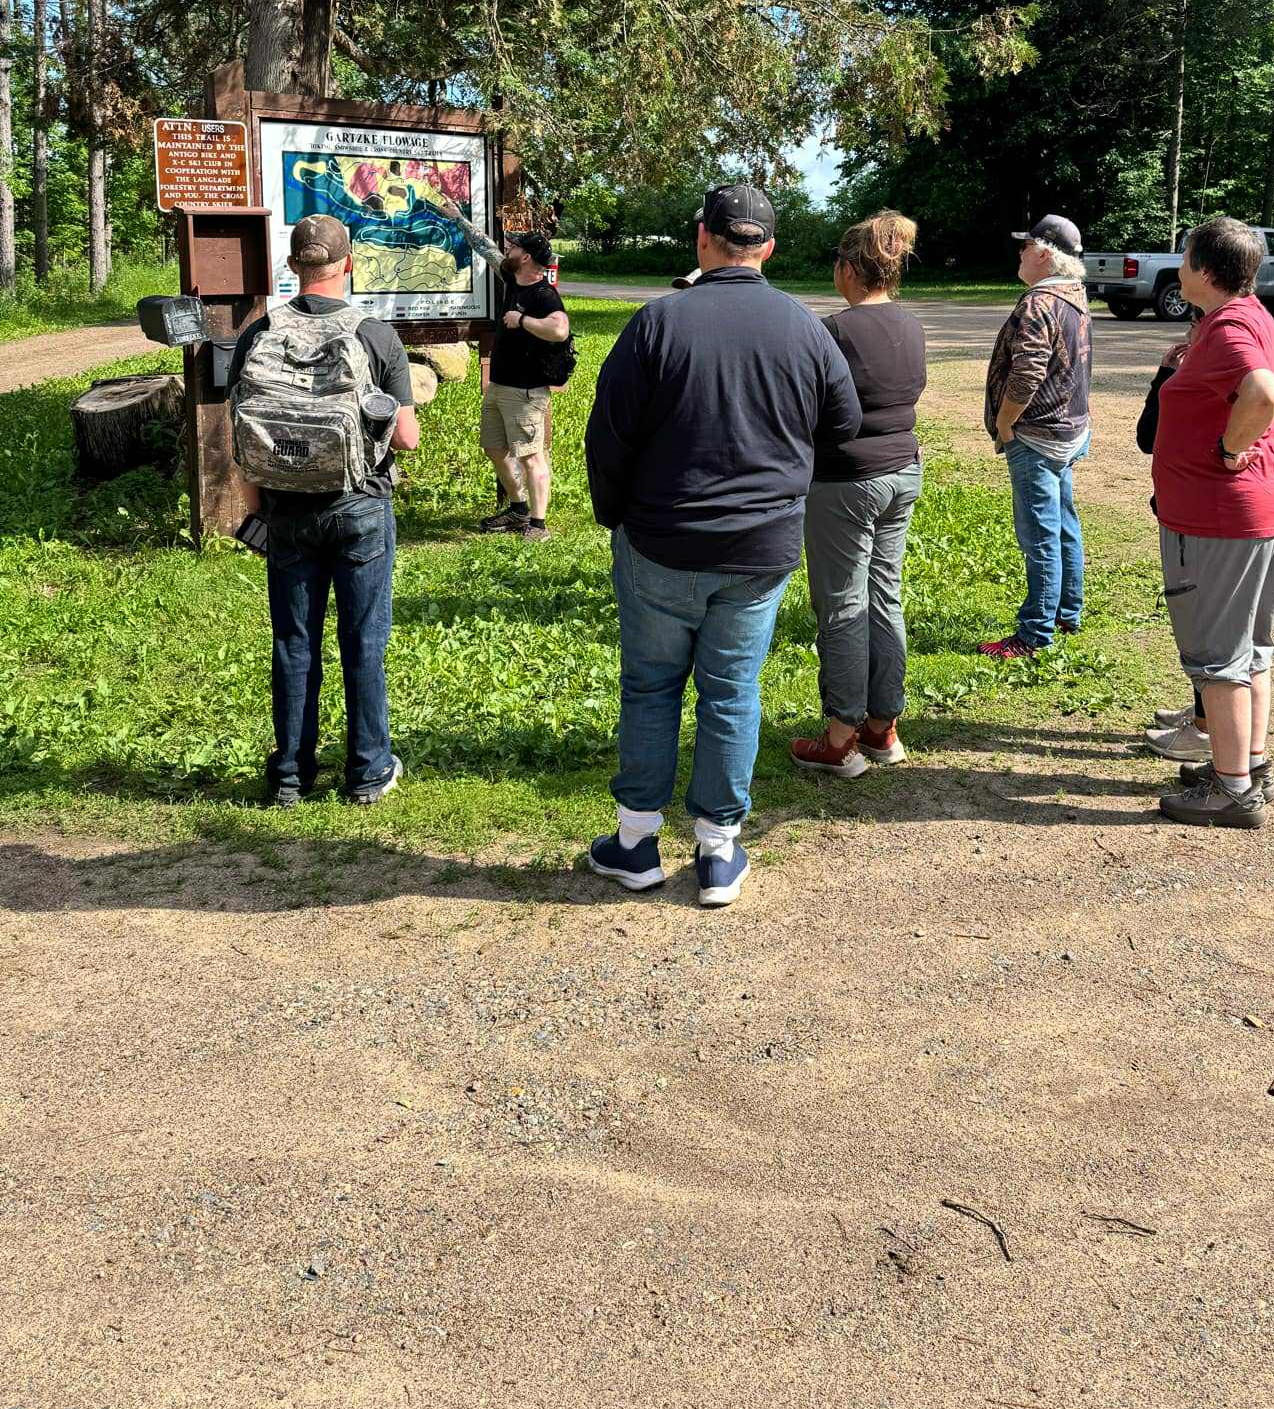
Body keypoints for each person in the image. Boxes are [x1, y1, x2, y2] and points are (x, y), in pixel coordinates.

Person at [583, 183, 861, 907]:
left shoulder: (657, 324)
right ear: (766, 246)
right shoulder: (805, 329)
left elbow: (607, 435)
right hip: (757, 548)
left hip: (661, 542)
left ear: (703, 238)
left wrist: (615, 515)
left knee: (650, 687)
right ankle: (717, 852)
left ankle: (636, 843)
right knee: (732, 694)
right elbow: (843, 427)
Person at [227, 215, 419, 807]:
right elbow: (407, 437)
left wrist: (259, 510)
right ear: (348, 263)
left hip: (285, 511)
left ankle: (290, 775)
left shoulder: (259, 333)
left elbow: (245, 438)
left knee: (294, 641)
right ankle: (366, 772)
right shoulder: (375, 335)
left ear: (293, 267)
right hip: (358, 506)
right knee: (364, 639)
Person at [1150, 216, 1274, 828]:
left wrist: (1232, 445)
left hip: (1222, 517)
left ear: (1204, 269)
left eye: (1184, 256)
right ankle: (1249, 766)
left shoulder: (1229, 326)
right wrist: (1259, 431)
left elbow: (1265, 391)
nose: (1177, 266)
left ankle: (1231, 792)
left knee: (1219, 657)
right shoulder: (1250, 315)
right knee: (1252, 651)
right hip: (1262, 509)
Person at [791, 212, 927, 778]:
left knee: (843, 603)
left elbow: (810, 404)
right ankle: (882, 727)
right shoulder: (912, 324)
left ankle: (841, 735)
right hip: (902, 470)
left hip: (845, 479)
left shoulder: (835, 331)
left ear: (849, 269)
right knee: (884, 596)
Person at [979, 213, 1094, 659]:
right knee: (1064, 524)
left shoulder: (1038, 304)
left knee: (1040, 533)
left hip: (1038, 435)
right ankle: (1067, 609)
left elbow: (1027, 374)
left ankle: (1034, 632)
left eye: (1025, 246)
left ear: (1045, 254)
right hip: (1069, 429)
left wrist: (1007, 422)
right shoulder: (1074, 297)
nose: (1020, 253)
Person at [433, 194, 570, 539]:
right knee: (495, 448)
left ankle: (538, 525)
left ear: (525, 257)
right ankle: (518, 509)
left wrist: (522, 321)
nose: (507, 250)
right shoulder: (512, 278)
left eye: (514, 248)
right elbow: (485, 248)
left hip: (525, 390)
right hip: (500, 385)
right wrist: (458, 218)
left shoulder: (544, 294)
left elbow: (559, 329)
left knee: (531, 457)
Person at [1137, 314, 1211, 763]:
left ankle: (1206, 728)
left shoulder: (1203, 380)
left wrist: (1167, 379)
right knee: (1196, 618)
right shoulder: (1196, 371)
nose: (1186, 337)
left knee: (1203, 624)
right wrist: (1166, 373)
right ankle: (1204, 712)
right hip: (1185, 509)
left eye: (1193, 329)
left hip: (1199, 517)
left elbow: (1147, 436)